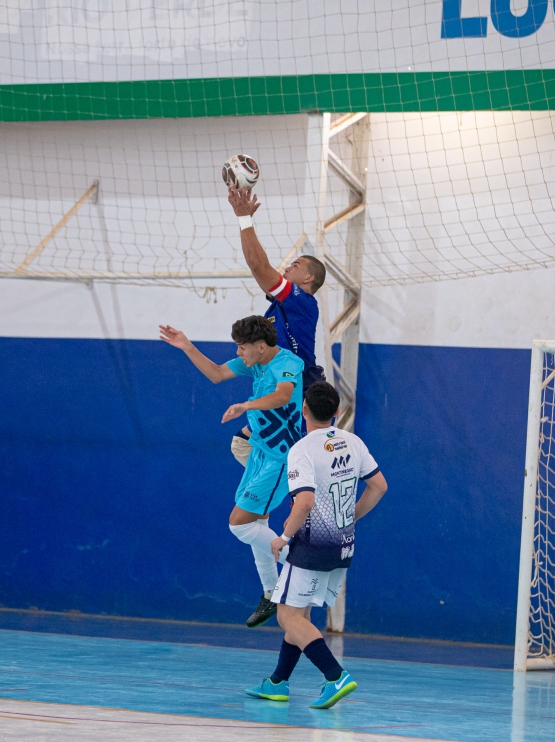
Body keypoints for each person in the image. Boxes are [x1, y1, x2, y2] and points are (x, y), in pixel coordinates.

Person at [246, 381, 387, 709]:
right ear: (336, 412)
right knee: (301, 613)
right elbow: (379, 486)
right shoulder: (353, 442)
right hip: (342, 545)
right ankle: (278, 682)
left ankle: (335, 676)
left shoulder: (302, 449)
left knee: (287, 616)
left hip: (311, 547)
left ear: (304, 410)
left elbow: (305, 502)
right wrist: (350, 517)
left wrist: (284, 537)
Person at [159, 316, 304, 627]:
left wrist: (245, 406)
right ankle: (271, 592)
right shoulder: (254, 363)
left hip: (281, 458)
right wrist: (187, 346)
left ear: (261, 347)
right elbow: (217, 374)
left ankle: (303, 563)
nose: (238, 352)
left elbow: (283, 395)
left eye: (242, 347)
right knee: (257, 524)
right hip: (260, 454)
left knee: (239, 525)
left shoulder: (288, 362)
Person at [227, 185, 327, 467]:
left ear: (308, 278)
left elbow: (260, 267)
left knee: (302, 463)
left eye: (295, 265)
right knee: (243, 445)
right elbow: (256, 267)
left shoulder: (303, 301)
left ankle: (291, 489)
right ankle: (272, 490)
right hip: (276, 386)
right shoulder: (278, 307)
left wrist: (244, 219)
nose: (286, 268)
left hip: (299, 390)